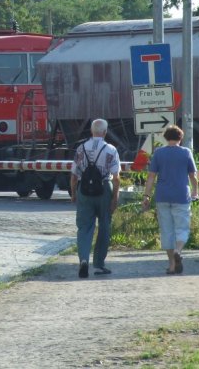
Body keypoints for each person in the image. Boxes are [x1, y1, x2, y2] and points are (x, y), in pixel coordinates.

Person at [141, 124, 199, 275]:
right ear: (181, 138)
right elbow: (193, 176)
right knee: (182, 227)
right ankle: (178, 250)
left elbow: (151, 177)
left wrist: (146, 196)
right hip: (181, 195)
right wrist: (195, 191)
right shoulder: (186, 153)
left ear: (166, 138)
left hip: (162, 196)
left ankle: (172, 265)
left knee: (166, 230)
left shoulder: (158, 153)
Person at [70, 118, 121, 278]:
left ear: (91, 131)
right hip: (104, 188)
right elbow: (116, 177)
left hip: (84, 190)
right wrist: (114, 198)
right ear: (105, 132)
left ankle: (83, 259)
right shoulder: (110, 149)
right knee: (104, 226)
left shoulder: (81, 148)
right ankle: (99, 264)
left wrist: (73, 193)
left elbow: (73, 175)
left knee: (84, 227)